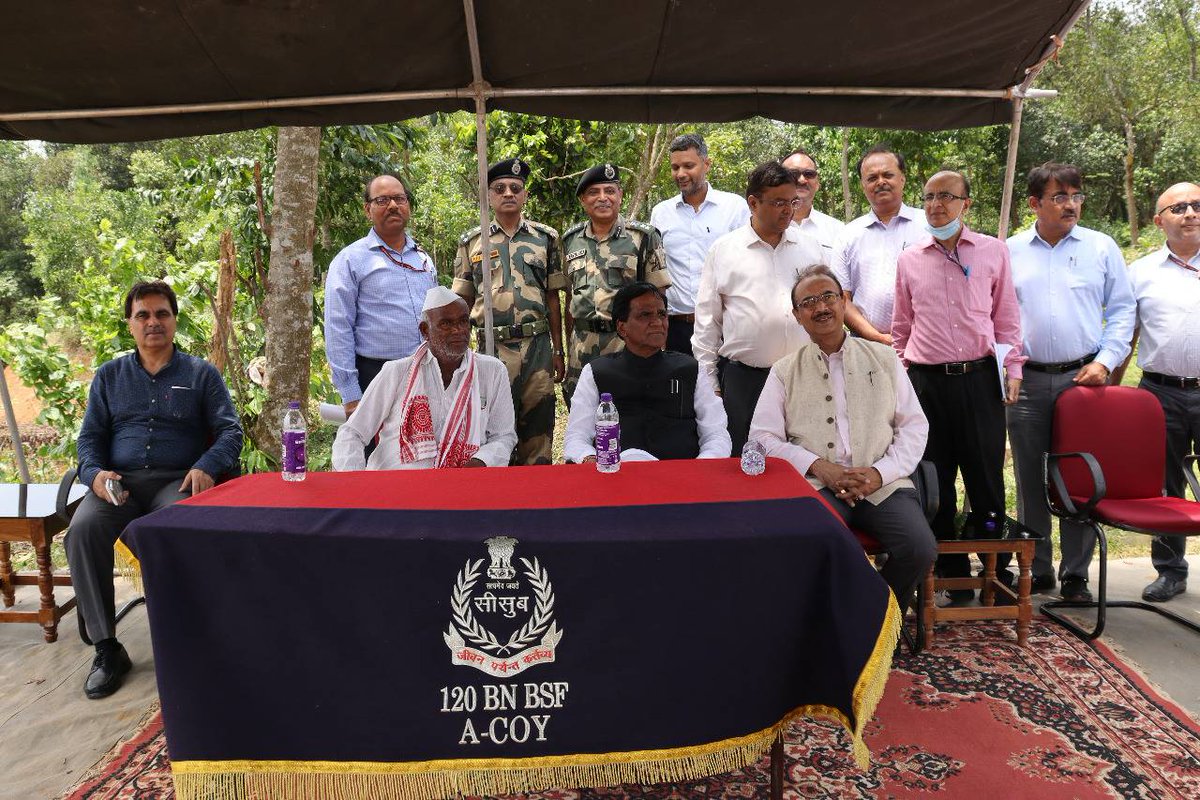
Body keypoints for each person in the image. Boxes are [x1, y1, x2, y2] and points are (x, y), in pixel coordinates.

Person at [69, 281, 243, 699]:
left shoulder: (201, 374)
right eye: (143, 315)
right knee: (82, 530)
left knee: (177, 526)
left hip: (175, 481)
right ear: (130, 324)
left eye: (162, 314)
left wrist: (206, 466)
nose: (153, 322)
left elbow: (229, 431)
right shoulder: (110, 376)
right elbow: (89, 438)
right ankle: (107, 648)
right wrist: (94, 475)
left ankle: (185, 640)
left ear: (175, 320)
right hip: (119, 486)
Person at [749, 265, 935, 612]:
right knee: (810, 543)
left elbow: (913, 426)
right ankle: (829, 624)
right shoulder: (784, 370)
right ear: (797, 316)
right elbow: (762, 438)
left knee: (919, 547)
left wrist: (879, 473)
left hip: (883, 483)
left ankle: (877, 621)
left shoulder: (883, 358)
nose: (820, 307)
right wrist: (820, 467)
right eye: (808, 302)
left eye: (828, 297)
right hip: (818, 485)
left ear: (844, 301)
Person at [892, 170, 1025, 602]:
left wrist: (1014, 368)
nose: (936, 206)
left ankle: (993, 572)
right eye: (929, 197)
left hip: (979, 379)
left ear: (966, 203)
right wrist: (903, 381)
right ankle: (949, 574)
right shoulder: (910, 259)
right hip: (926, 384)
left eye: (946, 197)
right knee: (935, 480)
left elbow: (1006, 318)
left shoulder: (992, 251)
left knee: (985, 479)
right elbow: (900, 328)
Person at [1006, 163, 1135, 601]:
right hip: (1027, 381)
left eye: (1076, 195)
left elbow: (1122, 310)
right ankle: (1038, 566)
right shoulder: (1010, 251)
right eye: (1060, 196)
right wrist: (1010, 365)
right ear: (1034, 203)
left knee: (1078, 473)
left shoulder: (1101, 247)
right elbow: (995, 317)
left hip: (1085, 381)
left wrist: (1107, 360)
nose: (1070, 204)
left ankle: (1075, 574)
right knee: (1028, 475)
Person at [692, 160, 828, 456]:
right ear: (753, 202)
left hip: (803, 377)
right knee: (746, 462)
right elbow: (706, 325)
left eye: (792, 201)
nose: (788, 210)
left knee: (805, 459)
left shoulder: (810, 247)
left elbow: (826, 312)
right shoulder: (725, 250)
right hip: (745, 382)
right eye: (778, 202)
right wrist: (711, 385)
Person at [451, 158, 566, 466]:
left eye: (515, 188)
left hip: (537, 346)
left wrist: (559, 350)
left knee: (539, 428)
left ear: (525, 195)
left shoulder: (546, 238)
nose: (508, 194)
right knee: (493, 431)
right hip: (491, 347)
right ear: (489, 195)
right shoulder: (472, 242)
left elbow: (553, 298)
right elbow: (461, 302)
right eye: (499, 188)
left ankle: (539, 500)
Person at [332, 286, 516, 470]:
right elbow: (353, 432)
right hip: (395, 487)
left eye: (463, 321)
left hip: (462, 487)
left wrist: (481, 462)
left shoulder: (492, 371)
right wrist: (355, 483)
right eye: (446, 324)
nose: (458, 330)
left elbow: (503, 436)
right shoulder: (396, 372)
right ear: (425, 330)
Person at [1122, 182, 1200, 603]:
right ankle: (1170, 571)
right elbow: (1125, 334)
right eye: (1179, 207)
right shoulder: (1141, 272)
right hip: (1161, 394)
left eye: (1197, 205)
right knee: (1166, 488)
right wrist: (1109, 393)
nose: (1190, 213)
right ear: (1158, 221)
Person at [564, 282, 731, 462]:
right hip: (617, 480)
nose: (657, 322)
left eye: (662, 314)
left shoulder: (690, 370)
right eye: (645, 315)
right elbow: (576, 437)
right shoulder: (597, 373)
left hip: (681, 482)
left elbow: (716, 435)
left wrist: (697, 469)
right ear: (622, 327)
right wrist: (588, 458)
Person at [324, 174, 437, 418]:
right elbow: (337, 327)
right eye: (383, 200)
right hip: (375, 374)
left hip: (424, 373)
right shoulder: (350, 260)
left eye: (399, 198)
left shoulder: (423, 259)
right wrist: (351, 394)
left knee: (424, 451)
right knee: (376, 453)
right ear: (368, 209)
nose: (394, 205)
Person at [561, 163, 669, 406]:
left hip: (628, 345)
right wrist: (568, 352)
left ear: (620, 196)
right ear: (582, 200)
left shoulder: (643, 237)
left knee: (631, 412)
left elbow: (659, 299)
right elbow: (570, 299)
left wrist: (657, 349)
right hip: (583, 347)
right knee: (584, 418)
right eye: (593, 193)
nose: (603, 198)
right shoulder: (570, 240)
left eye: (609, 191)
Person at [649, 134, 749, 356]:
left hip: (725, 326)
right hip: (677, 328)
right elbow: (655, 272)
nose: (681, 174)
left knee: (722, 389)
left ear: (707, 164)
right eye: (675, 167)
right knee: (679, 389)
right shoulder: (661, 213)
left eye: (688, 166)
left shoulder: (734, 208)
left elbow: (748, 264)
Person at [834, 145, 927, 345]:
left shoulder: (929, 227)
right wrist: (876, 337)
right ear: (862, 185)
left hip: (926, 345)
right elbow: (842, 298)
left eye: (888, 174)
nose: (881, 182)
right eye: (872, 178)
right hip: (867, 344)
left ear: (902, 178)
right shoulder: (848, 235)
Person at [781, 148, 845, 253]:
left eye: (809, 174)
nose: (802, 180)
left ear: (818, 183)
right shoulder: (763, 227)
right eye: (793, 173)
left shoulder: (838, 231)